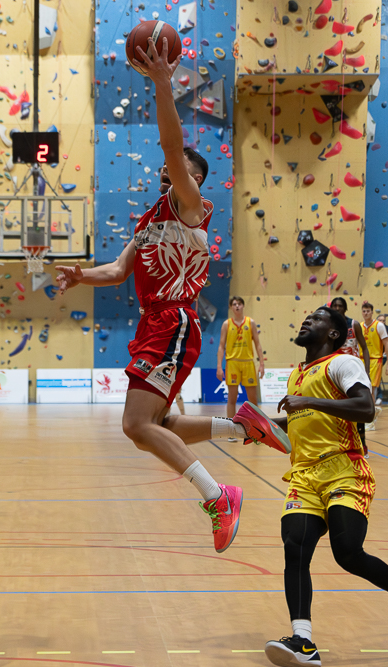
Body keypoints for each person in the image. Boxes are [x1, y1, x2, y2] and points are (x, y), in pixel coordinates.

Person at [55, 36, 290, 553]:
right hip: (155, 322)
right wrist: (78, 277)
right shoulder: (148, 221)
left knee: (136, 425)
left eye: (184, 166)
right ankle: (241, 425)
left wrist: (163, 83)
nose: (174, 167)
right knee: (160, 424)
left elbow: (170, 146)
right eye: (173, 167)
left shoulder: (190, 207)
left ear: (193, 180)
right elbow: (118, 271)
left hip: (173, 320)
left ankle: (218, 495)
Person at [258, 307, 388, 665]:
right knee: (294, 548)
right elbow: (304, 418)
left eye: (316, 318)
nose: (306, 320)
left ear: (333, 333)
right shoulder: (297, 374)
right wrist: (267, 428)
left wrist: (309, 401)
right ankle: (303, 642)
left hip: (344, 469)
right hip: (303, 476)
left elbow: (365, 408)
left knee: (347, 552)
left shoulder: (343, 364)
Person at [217, 296, 265, 420]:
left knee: (253, 399)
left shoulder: (251, 323)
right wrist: (219, 367)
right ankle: (231, 428)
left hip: (248, 363)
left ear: (243, 306)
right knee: (232, 398)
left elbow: (258, 344)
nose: (237, 306)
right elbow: (221, 346)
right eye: (234, 304)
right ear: (231, 307)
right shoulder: (226, 324)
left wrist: (261, 364)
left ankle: (257, 427)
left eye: (239, 304)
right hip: (232, 363)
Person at [360, 303, 388, 426]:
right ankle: (367, 413)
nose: (366, 313)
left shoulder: (379, 326)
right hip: (361, 360)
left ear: (372, 312)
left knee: (370, 389)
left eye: (368, 311)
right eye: (364, 311)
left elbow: (386, 344)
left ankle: (371, 418)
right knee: (362, 388)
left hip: (375, 360)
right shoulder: (359, 326)